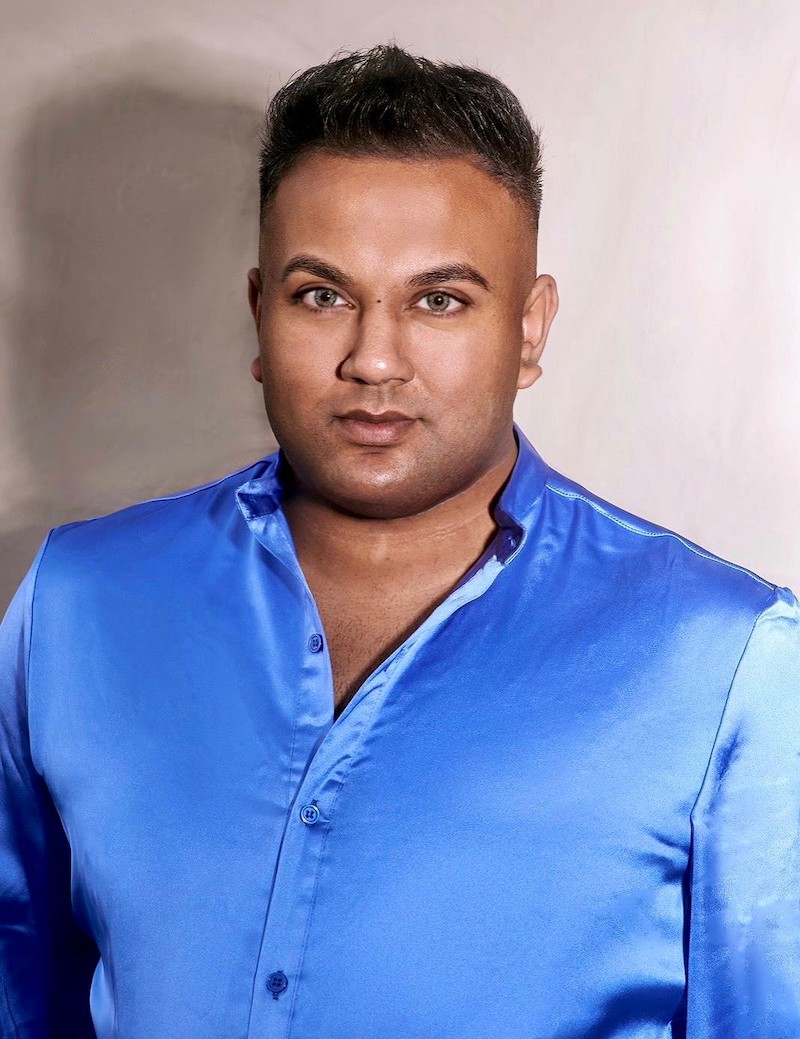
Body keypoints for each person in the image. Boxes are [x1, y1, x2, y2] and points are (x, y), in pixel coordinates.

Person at [0, 43, 798, 1039]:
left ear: (529, 330)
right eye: (321, 295)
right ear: (259, 314)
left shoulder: (724, 660)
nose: (373, 359)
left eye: (438, 300)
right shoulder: (78, 603)